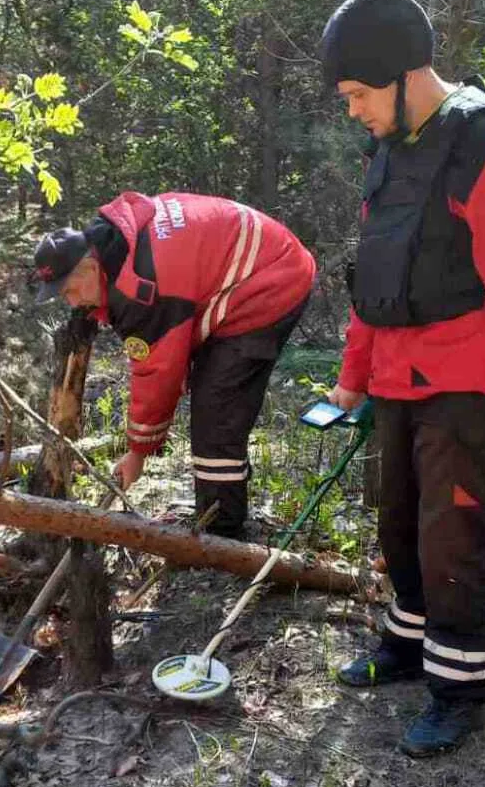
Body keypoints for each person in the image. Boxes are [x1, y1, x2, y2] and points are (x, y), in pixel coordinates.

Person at [320, 0, 485, 756]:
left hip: (466, 385)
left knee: (453, 535)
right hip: (398, 378)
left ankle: (462, 689)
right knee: (397, 523)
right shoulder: (391, 150)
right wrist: (351, 377)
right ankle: (406, 645)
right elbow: (376, 277)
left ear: (405, 76)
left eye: (360, 95)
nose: (353, 112)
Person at [32, 191, 316, 537]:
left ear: (91, 267)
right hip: (255, 263)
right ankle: (216, 514)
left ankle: (221, 533)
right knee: (211, 392)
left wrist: (138, 452)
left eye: (69, 291)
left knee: (216, 409)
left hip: (271, 278)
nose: (73, 303)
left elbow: (158, 373)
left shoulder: (143, 286)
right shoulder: (117, 242)